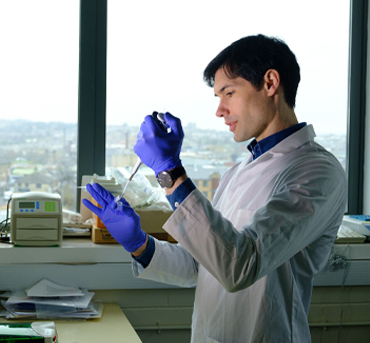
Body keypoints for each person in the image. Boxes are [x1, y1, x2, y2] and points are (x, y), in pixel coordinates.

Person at [83, 34, 347, 343]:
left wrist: (171, 174)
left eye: (229, 93)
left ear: (270, 83)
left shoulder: (317, 172)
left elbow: (240, 265)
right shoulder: (238, 172)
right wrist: (139, 243)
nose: (220, 110)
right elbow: (201, 264)